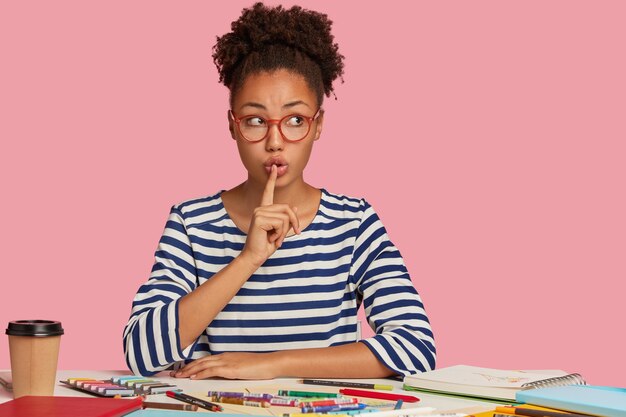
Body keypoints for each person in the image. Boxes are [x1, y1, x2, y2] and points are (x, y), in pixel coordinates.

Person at [123, 2, 435, 380]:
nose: (275, 141)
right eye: (255, 120)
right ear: (232, 125)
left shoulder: (353, 223)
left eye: (295, 120)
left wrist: (272, 364)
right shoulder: (191, 222)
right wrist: (248, 259)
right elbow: (141, 352)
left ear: (318, 125)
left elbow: (416, 347)